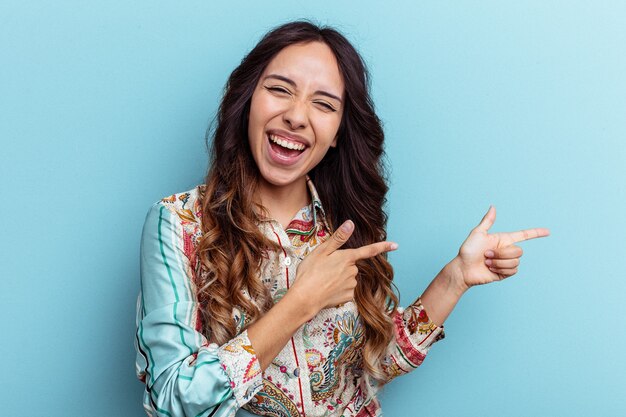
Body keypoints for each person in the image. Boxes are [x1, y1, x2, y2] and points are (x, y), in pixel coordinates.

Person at [134, 20, 550, 417]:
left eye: (324, 104)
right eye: (280, 89)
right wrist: (302, 301)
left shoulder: (346, 224)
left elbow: (373, 365)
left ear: (337, 134)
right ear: (247, 102)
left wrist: (455, 278)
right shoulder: (179, 223)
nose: (297, 116)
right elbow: (175, 398)